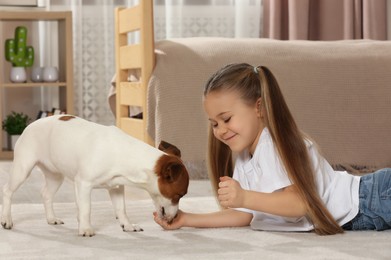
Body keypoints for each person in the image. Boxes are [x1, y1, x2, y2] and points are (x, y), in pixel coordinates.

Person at [153, 63, 391, 235]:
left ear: (259, 108)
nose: (220, 130)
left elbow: (299, 204)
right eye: (214, 124)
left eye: (226, 119)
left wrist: (244, 196)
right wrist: (187, 219)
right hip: (368, 203)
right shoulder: (246, 158)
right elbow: (244, 214)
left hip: (371, 198)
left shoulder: (272, 145)